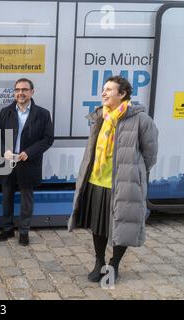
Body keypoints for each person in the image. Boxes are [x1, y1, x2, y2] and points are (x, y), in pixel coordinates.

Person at [68, 76, 158, 282]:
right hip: (97, 181)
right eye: (103, 89)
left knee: (123, 225)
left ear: (122, 94)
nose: (104, 93)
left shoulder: (141, 120)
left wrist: (134, 174)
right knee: (98, 225)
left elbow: (150, 154)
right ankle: (99, 261)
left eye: (109, 89)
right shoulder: (100, 116)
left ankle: (114, 264)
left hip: (124, 184)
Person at [0, 78, 54, 246]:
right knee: (6, 196)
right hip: (7, 160)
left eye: (24, 89)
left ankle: (24, 231)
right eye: (17, 89)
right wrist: (4, 150)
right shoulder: (6, 112)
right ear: (14, 92)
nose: (20, 93)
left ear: (32, 92)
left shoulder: (42, 114)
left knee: (27, 198)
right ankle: (7, 229)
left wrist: (29, 152)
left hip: (29, 162)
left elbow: (48, 139)